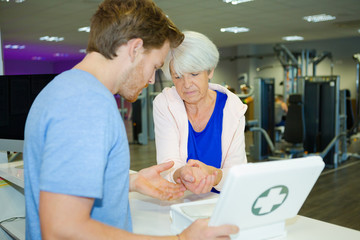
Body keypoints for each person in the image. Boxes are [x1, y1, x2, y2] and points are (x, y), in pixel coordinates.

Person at [23, 1, 238, 239]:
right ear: (135, 49)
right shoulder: (86, 104)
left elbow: (62, 187)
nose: (149, 80)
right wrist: (182, 239)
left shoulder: (64, 88)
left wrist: (128, 182)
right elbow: (62, 229)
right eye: (155, 66)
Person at [153, 31, 248, 194]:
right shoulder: (165, 104)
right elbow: (167, 166)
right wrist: (180, 173)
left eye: (194, 74)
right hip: (181, 199)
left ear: (209, 71)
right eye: (178, 77)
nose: (186, 84)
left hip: (222, 201)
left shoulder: (232, 108)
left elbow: (237, 173)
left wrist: (213, 174)